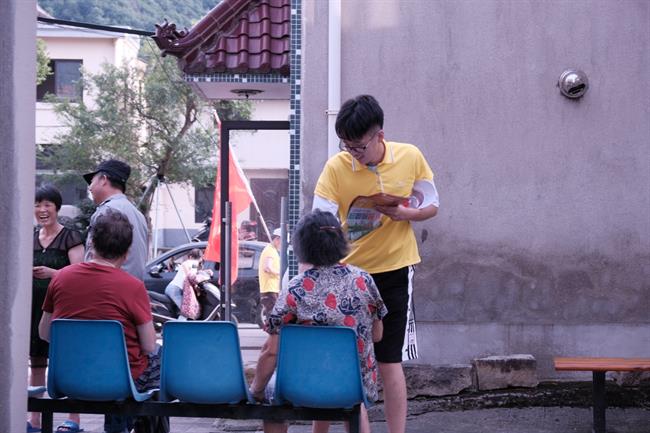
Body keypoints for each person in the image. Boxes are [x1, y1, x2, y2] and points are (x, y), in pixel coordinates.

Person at [312, 95, 439, 433]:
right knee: (346, 361)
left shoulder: (409, 156)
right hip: (349, 276)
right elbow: (320, 222)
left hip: (396, 270)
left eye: (359, 146)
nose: (352, 152)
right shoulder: (336, 167)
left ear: (379, 135)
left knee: (389, 361)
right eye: (346, 145)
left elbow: (431, 204)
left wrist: (404, 213)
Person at [250, 210, 387, 433]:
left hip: (302, 385)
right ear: (340, 241)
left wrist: (256, 390)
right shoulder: (364, 280)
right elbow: (377, 335)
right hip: (354, 386)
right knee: (354, 401)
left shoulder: (295, 288)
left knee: (269, 392)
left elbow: (271, 351)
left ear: (303, 246)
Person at [39, 209, 159, 433]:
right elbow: (149, 345)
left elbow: (45, 333)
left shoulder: (61, 278)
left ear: (91, 244)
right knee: (157, 358)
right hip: (119, 382)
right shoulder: (133, 286)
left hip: (67, 378)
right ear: (127, 251)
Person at [29, 185, 85, 433]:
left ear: (57, 208)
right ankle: (34, 421)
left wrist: (53, 273)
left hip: (63, 307)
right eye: (37, 205)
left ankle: (74, 418)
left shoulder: (71, 237)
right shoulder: (30, 237)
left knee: (68, 361)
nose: (42, 210)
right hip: (34, 307)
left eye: (47, 205)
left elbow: (79, 274)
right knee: (36, 361)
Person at [83, 159, 148, 280]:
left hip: (107, 286)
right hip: (132, 286)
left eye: (91, 182)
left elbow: (94, 261)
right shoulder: (138, 214)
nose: (90, 188)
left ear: (103, 179)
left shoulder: (106, 212)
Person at [164, 249, 202, 320]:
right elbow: (192, 276)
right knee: (186, 312)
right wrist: (199, 281)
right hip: (175, 290)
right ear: (200, 258)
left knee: (180, 312)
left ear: (190, 256)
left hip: (171, 288)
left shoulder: (186, 262)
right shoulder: (194, 263)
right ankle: (177, 326)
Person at [257, 228, 282, 323]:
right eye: (282, 241)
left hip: (272, 288)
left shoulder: (272, 250)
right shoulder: (270, 250)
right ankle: (272, 330)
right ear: (277, 239)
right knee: (272, 313)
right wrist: (280, 273)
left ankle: (272, 329)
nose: (282, 245)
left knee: (272, 312)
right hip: (269, 288)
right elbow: (267, 267)